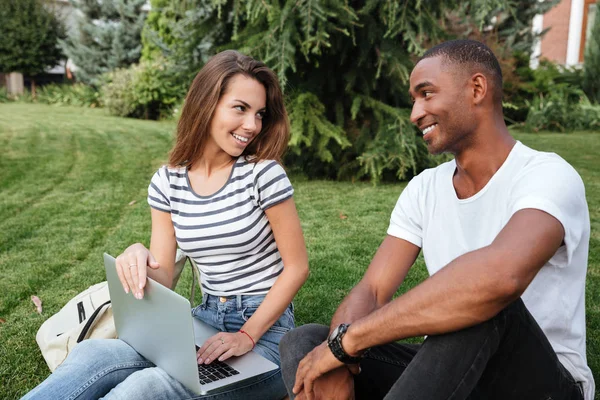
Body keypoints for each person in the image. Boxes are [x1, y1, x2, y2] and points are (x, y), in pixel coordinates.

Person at [279, 39, 594, 400]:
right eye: (414, 100)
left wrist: (347, 343)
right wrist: (337, 354)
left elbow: (500, 279)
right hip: (457, 369)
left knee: (480, 303)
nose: (415, 113)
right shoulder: (425, 188)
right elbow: (373, 290)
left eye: (426, 94)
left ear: (477, 88)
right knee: (305, 341)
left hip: (541, 381)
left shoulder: (547, 175)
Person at [24, 50, 309, 400]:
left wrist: (246, 335)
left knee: (149, 387)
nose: (252, 125)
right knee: (92, 354)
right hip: (202, 323)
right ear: (207, 104)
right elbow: (160, 279)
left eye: (260, 113)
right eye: (240, 108)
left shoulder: (263, 174)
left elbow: (297, 267)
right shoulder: (168, 182)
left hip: (266, 337)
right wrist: (138, 255)